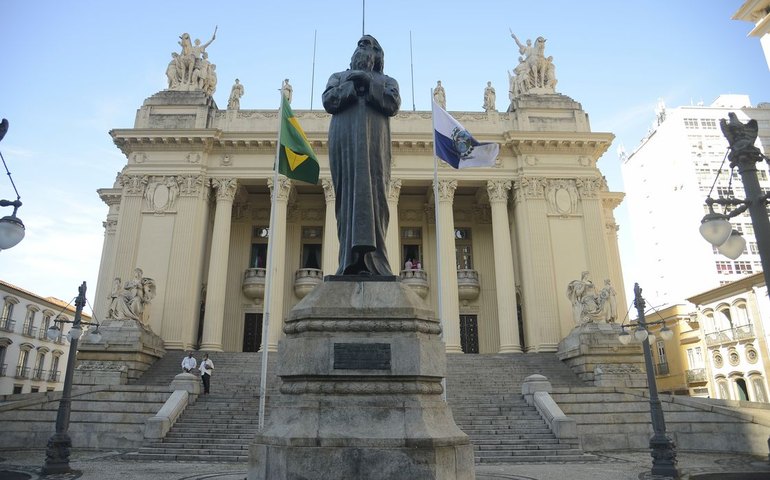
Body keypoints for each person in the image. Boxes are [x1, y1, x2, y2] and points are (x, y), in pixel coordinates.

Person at [322, 35, 401, 276]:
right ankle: (348, 262)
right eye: (361, 45)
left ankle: (375, 262)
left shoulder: (387, 81)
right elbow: (329, 100)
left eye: (370, 46)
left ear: (378, 56)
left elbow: (393, 103)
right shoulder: (338, 77)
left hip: (374, 145)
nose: (364, 49)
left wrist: (370, 82)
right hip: (345, 144)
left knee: (375, 199)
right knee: (347, 201)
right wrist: (353, 85)